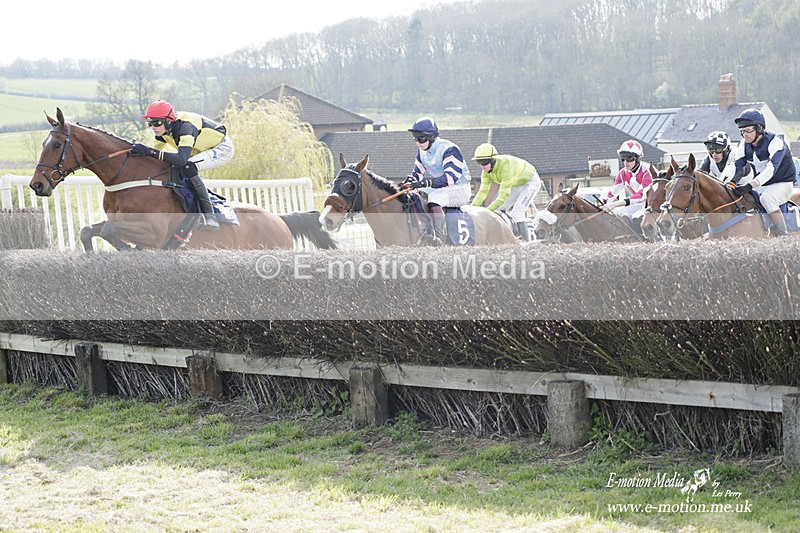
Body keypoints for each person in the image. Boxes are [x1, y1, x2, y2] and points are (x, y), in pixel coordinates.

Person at [130, 100, 235, 231]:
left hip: (221, 148)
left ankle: (210, 216)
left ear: (169, 121)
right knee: (172, 168)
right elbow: (153, 155)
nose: (153, 127)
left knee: (188, 167)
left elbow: (180, 159)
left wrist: (148, 151)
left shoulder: (186, 127)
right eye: (150, 123)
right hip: (199, 148)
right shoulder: (164, 131)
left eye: (157, 123)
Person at [403, 116, 471, 245]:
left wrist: (426, 183)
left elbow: (449, 178)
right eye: (415, 138)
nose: (417, 142)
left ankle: (440, 239)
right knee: (414, 194)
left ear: (432, 137)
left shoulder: (450, 149)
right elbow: (417, 174)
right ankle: (422, 229)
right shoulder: (422, 151)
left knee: (434, 198)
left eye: (420, 138)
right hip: (442, 187)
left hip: (460, 188)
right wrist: (409, 182)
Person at [730, 108, 795, 237]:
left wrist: (750, 185)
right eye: (742, 131)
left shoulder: (775, 142)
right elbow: (738, 167)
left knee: (767, 198)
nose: (745, 135)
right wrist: (732, 182)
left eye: (748, 130)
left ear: (760, 129)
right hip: (763, 184)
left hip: (783, 183)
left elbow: (771, 169)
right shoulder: (743, 145)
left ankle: (783, 235)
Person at [470, 143, 541, 241]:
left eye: (484, 162)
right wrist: (470, 210)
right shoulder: (485, 173)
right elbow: (482, 193)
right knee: (499, 209)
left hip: (530, 182)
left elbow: (503, 196)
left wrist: (486, 212)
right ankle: (510, 235)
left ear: (493, 160)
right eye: (479, 162)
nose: (482, 166)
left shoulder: (506, 167)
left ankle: (525, 243)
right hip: (515, 185)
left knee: (517, 212)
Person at [602, 140, 653, 223]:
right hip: (637, 204)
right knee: (613, 214)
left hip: (650, 204)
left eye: (629, 158)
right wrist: (603, 202)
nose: (625, 162)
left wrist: (614, 204)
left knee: (634, 216)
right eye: (623, 159)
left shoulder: (648, 170)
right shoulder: (623, 172)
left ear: (638, 158)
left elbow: (641, 195)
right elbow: (613, 192)